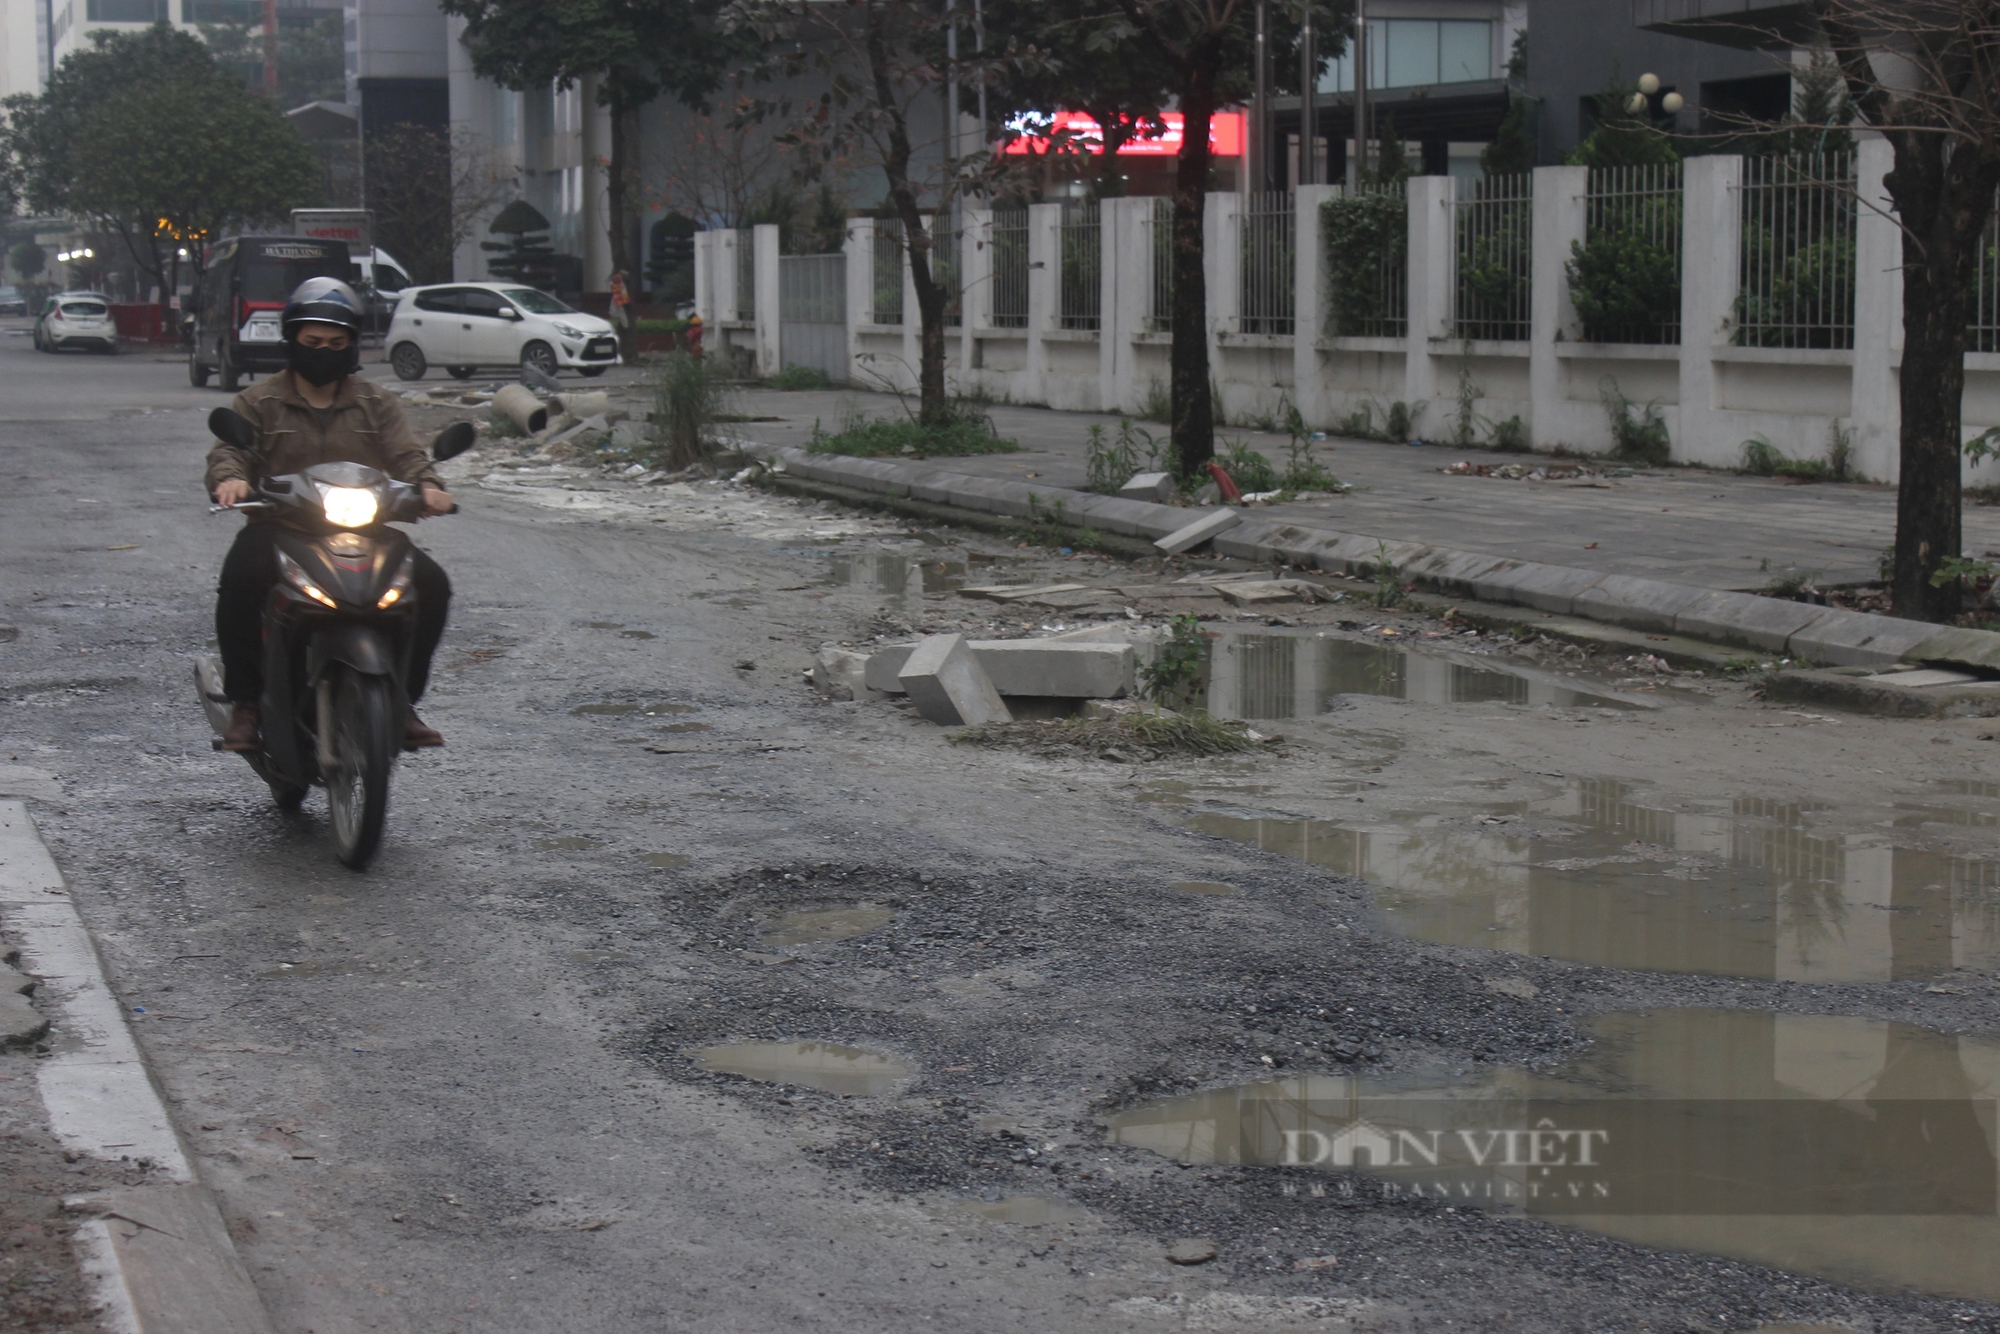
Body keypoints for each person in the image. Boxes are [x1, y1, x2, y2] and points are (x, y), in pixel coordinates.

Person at [205, 276, 454, 752]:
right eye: (314, 342)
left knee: (432, 585)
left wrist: (429, 486)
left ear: (352, 345)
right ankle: (247, 704)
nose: (325, 351)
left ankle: (400, 700)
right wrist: (231, 480)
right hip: (282, 527)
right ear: (292, 340)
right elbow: (228, 454)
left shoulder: (375, 402)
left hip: (364, 526)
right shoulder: (258, 402)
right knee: (240, 578)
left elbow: (406, 455)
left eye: (337, 343)